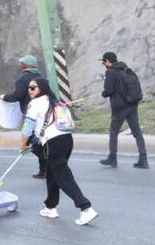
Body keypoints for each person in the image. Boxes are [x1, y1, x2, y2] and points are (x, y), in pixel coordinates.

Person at [21, 78, 98, 225]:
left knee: (63, 177)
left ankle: (86, 208)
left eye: (33, 87)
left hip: (52, 143)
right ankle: (50, 207)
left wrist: (22, 146)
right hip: (66, 139)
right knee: (53, 173)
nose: (30, 90)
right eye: (29, 87)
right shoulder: (53, 100)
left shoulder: (35, 103)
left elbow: (27, 128)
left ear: (41, 88)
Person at [99, 51, 148, 169]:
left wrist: (104, 93)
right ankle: (143, 159)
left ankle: (112, 158)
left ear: (107, 61)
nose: (104, 64)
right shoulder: (125, 68)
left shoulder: (110, 72)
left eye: (104, 62)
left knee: (113, 131)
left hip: (120, 107)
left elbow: (108, 91)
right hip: (132, 104)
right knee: (137, 132)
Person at [4, 55, 48, 178]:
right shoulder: (41, 77)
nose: (20, 65)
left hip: (31, 113)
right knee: (40, 141)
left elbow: (18, 95)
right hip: (45, 114)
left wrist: (5, 97)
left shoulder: (22, 79)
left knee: (31, 141)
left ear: (26, 65)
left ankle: (48, 165)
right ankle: (44, 170)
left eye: (22, 63)